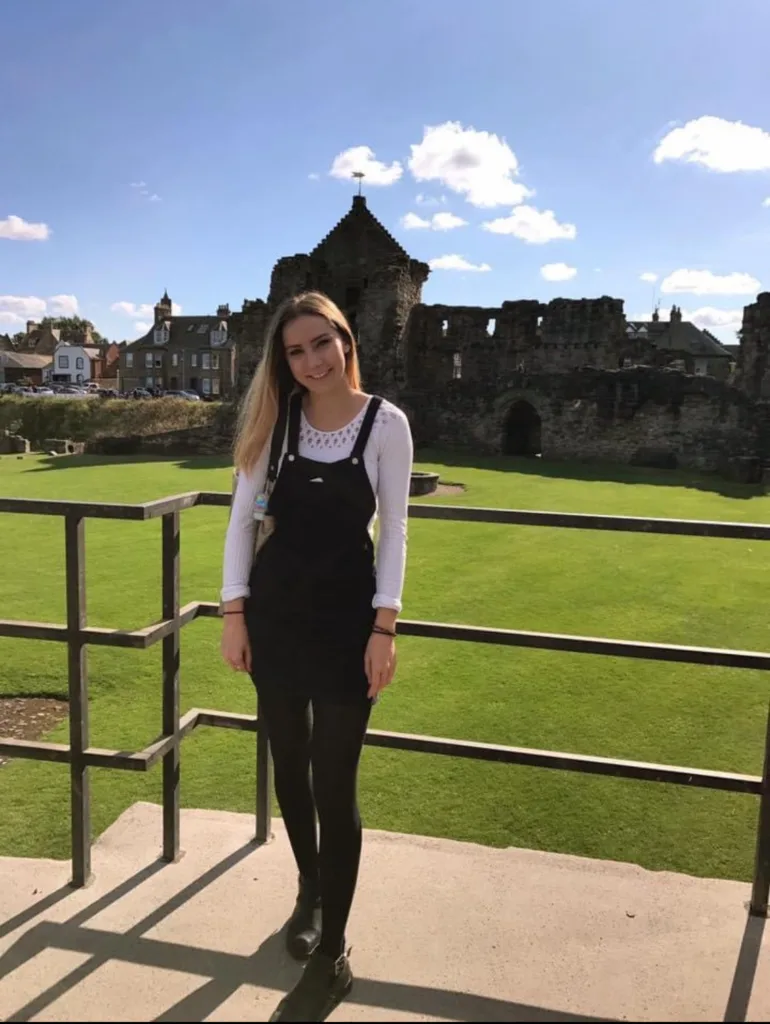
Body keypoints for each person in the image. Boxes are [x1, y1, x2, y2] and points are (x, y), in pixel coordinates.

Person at [220, 291, 413, 1022]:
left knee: (336, 784)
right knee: (288, 765)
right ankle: (310, 887)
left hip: (345, 627)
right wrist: (233, 614)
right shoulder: (278, 421)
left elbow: (394, 532)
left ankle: (333, 953)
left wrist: (384, 629)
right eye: (294, 352)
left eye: (319, 344)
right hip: (273, 622)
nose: (310, 362)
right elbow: (242, 522)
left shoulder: (385, 423)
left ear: (344, 338)